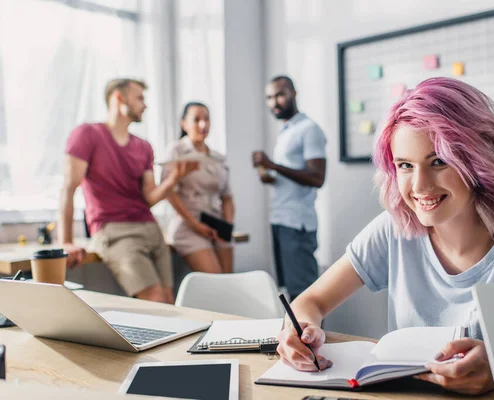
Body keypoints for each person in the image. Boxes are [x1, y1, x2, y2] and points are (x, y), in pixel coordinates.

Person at [275, 77, 494, 395]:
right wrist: (299, 329)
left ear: (478, 160)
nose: (419, 186)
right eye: (405, 165)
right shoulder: (393, 230)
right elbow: (311, 301)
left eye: (439, 161)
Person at [59, 78, 198, 303]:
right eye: (140, 98)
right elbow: (68, 188)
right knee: (155, 300)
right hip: (114, 231)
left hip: (151, 230)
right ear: (118, 98)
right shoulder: (87, 135)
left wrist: (175, 178)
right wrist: (65, 240)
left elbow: (150, 197)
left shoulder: (144, 147)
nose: (145, 104)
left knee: (170, 303)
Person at [252, 75, 327, 301]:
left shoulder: (309, 129)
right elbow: (290, 175)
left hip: (297, 224)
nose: (274, 102)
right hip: (281, 220)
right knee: (290, 294)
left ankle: (311, 337)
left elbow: (317, 177)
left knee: (305, 296)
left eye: (280, 94)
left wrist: (272, 165)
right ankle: (297, 337)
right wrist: (268, 175)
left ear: (293, 93)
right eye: (269, 97)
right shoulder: (286, 131)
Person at [162, 102, 235, 274]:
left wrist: (227, 227)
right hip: (189, 225)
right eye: (196, 120)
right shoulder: (176, 151)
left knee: (231, 283)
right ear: (184, 124)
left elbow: (227, 197)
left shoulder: (218, 157)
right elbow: (170, 194)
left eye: (207, 119)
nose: (203, 125)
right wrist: (195, 225)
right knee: (216, 281)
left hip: (216, 225)